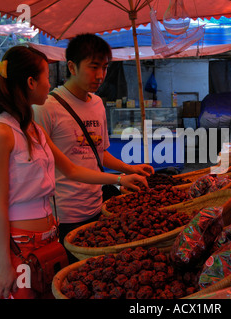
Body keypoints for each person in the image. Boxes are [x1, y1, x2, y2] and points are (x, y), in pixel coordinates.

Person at [0, 45, 147, 299]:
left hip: (50, 238)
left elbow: (71, 170)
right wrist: (4, 265)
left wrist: (120, 178)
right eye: (47, 78)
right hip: (18, 244)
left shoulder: (33, 130)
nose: (50, 85)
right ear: (30, 82)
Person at [33, 33, 154, 263]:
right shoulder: (46, 108)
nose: (100, 76)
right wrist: (119, 180)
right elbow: (59, 167)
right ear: (72, 67)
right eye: (93, 67)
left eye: (105, 67)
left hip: (98, 207)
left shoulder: (98, 103)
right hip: (64, 216)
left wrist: (129, 169)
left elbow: (100, 153)